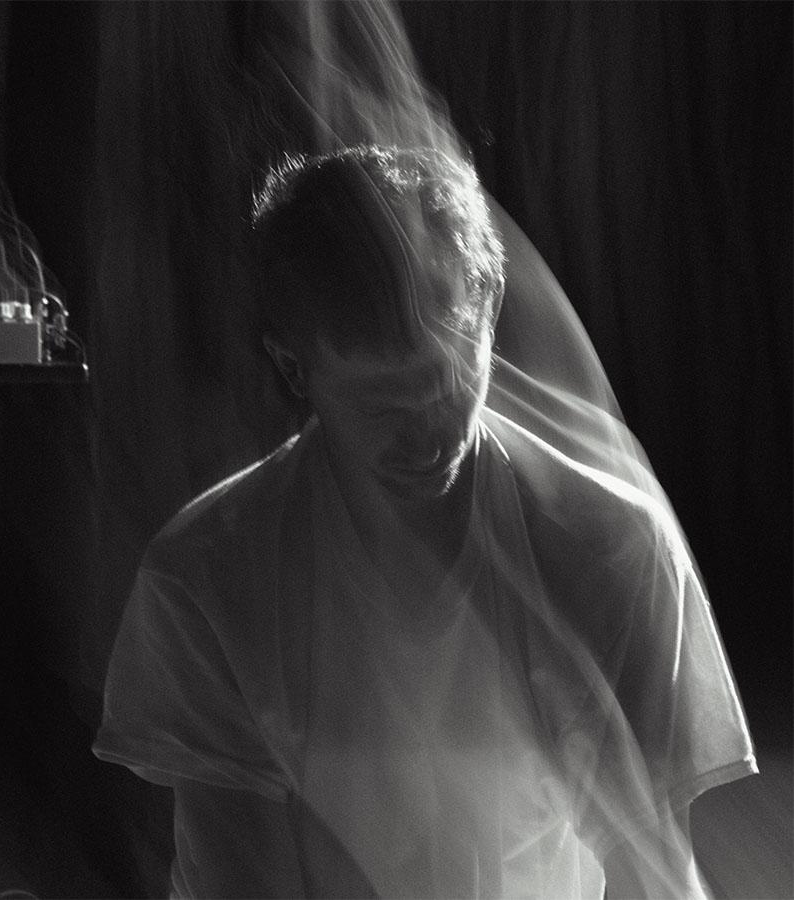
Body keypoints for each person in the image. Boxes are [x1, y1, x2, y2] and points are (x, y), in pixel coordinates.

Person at [93, 145, 757, 899]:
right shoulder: (208, 578)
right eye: (378, 406)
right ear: (291, 369)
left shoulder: (611, 549)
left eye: (445, 385)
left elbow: (652, 875)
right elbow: (240, 881)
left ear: (489, 313)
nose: (425, 435)